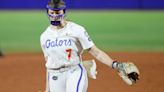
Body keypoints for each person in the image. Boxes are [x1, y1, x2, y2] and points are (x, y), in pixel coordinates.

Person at [40, 0, 140, 92]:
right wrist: (47, 89)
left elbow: (95, 51)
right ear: (48, 12)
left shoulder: (76, 30)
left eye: (57, 12)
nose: (54, 15)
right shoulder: (44, 36)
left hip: (74, 72)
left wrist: (116, 65)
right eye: (52, 12)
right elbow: (49, 64)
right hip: (55, 77)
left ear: (64, 12)